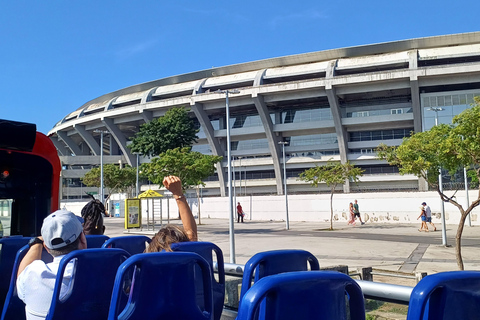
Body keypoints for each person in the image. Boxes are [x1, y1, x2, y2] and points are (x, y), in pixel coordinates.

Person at [17, 209, 87, 320]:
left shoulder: (32, 274)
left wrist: (36, 243)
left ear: (46, 248)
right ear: (82, 239)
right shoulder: (107, 273)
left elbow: (21, 275)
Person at [145, 175, 197, 252]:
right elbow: (191, 235)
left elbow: (191, 235)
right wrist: (178, 194)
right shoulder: (188, 257)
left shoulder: (147, 261)